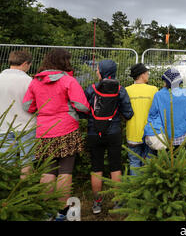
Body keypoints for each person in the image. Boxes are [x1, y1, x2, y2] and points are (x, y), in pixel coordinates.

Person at [22, 48, 90, 221]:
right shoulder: (69, 80)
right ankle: (62, 211)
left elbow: (27, 106)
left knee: (48, 171)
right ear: (65, 61)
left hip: (44, 131)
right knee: (65, 171)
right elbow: (82, 105)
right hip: (67, 129)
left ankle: (47, 211)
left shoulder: (35, 81)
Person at [83, 60, 134, 214]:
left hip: (94, 132)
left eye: (98, 69)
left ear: (102, 72)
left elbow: (83, 109)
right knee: (115, 167)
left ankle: (97, 204)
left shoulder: (91, 89)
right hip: (114, 133)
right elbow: (129, 113)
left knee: (96, 168)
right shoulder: (120, 90)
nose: (97, 72)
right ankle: (118, 202)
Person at [144, 68, 186, 152]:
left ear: (166, 82)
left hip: (164, 138)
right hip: (184, 136)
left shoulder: (158, 95)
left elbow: (152, 115)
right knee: (183, 162)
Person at [0, 51, 35, 178]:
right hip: (27, 125)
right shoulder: (28, 81)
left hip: (3, 126)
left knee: (5, 162)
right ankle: (26, 189)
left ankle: (7, 191)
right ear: (25, 63)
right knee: (27, 161)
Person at [125, 63, 158, 176]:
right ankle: (147, 190)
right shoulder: (153, 90)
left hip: (132, 133)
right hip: (150, 132)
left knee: (134, 162)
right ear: (142, 75)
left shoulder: (126, 90)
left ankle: (135, 190)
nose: (148, 75)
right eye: (146, 73)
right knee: (149, 161)